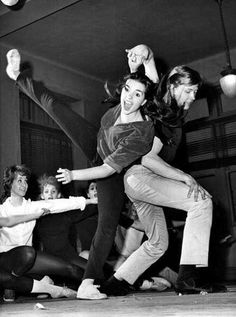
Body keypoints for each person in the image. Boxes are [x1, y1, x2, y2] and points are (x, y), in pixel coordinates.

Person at [5, 46, 158, 299]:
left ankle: (87, 285)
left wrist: (74, 175)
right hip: (97, 142)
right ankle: (18, 77)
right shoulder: (120, 106)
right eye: (127, 90)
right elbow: (139, 81)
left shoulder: (142, 131)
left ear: (145, 100)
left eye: (137, 94)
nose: (128, 98)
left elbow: (107, 168)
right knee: (57, 108)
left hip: (113, 171)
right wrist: (138, 62)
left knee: (106, 225)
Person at [102, 62, 214, 295]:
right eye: (189, 90)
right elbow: (148, 158)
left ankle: (115, 284)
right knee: (202, 202)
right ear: (173, 87)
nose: (193, 96)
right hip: (142, 176)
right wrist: (184, 177)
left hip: (137, 183)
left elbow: (159, 80)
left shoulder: (169, 113)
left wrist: (149, 57)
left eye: (195, 91)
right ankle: (189, 279)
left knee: (158, 242)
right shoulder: (162, 113)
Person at [0, 164, 97, 301]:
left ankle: (103, 286)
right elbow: (9, 220)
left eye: (26, 180)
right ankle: (11, 285)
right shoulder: (2, 210)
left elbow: (60, 204)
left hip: (28, 259)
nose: (24, 184)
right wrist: (35, 215)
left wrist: (91, 200)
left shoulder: (33, 206)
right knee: (27, 252)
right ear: (10, 183)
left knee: (71, 269)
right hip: (7, 259)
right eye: (19, 180)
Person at [34, 175, 97, 268]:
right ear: (42, 196)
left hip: (68, 257)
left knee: (90, 271)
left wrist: (97, 201)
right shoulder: (37, 216)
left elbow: (85, 209)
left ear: (58, 195)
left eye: (53, 191)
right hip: (49, 259)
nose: (50, 195)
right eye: (46, 192)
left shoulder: (66, 213)